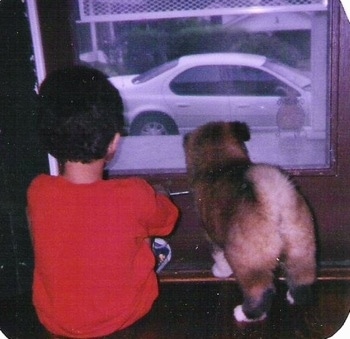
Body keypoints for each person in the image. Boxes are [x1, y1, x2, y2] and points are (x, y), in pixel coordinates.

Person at [27, 66, 179, 338]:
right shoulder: (134, 193)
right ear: (114, 142)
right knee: (146, 234)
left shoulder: (38, 190)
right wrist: (162, 196)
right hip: (122, 316)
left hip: (54, 321)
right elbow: (167, 220)